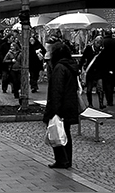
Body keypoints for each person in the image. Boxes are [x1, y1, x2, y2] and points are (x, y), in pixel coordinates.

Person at [42, 41, 80, 169]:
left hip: (61, 106)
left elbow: (56, 90)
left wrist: (54, 110)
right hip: (69, 104)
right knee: (65, 133)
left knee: (57, 133)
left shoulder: (59, 68)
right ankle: (66, 159)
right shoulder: (70, 66)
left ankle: (62, 160)